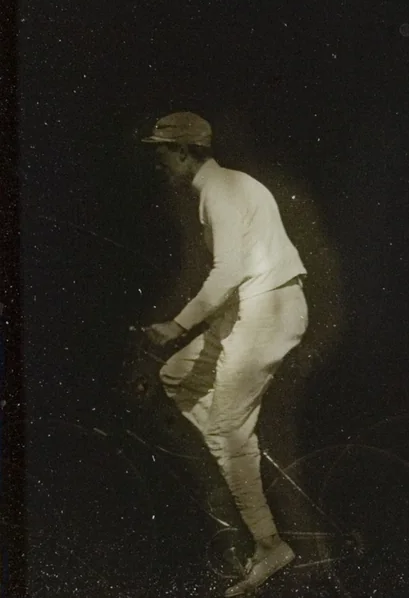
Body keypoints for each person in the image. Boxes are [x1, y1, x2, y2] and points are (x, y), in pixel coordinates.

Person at [138, 111, 307, 596]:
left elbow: (229, 270)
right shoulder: (225, 188)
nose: (159, 162)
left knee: (225, 428)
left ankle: (270, 544)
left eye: (162, 152)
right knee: (176, 376)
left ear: (185, 151)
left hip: (268, 311)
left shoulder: (221, 191)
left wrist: (177, 323)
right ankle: (236, 449)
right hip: (249, 311)